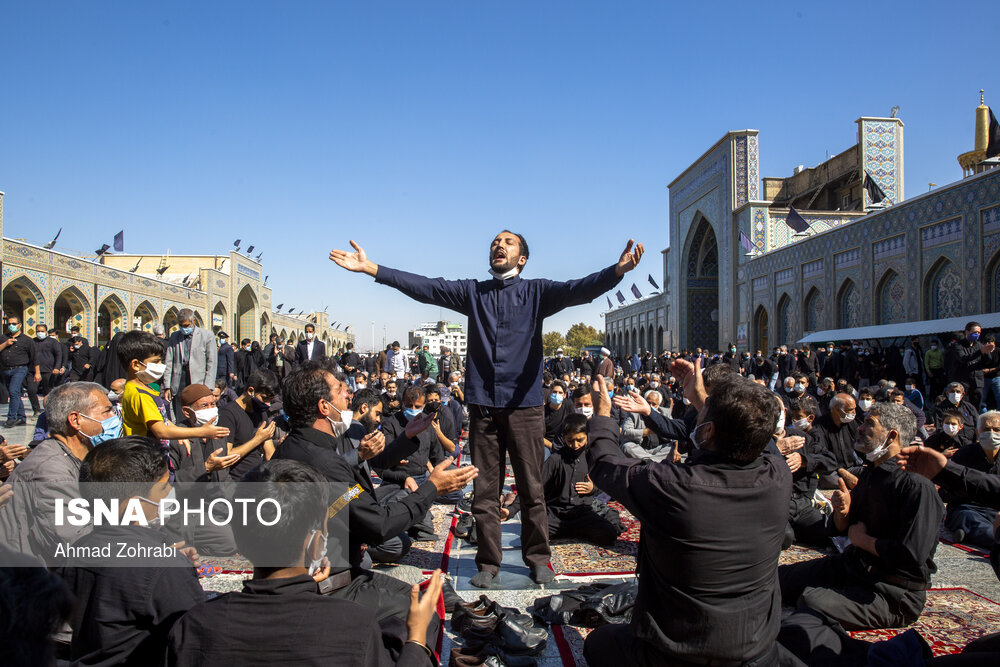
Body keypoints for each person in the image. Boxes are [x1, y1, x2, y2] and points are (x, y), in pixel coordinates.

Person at [330, 231, 643, 588]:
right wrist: (372, 268)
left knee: (531, 487)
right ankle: (489, 563)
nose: (499, 245)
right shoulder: (473, 292)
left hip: (524, 406)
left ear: (522, 258)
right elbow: (426, 287)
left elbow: (578, 290)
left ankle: (538, 559)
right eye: (496, 241)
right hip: (483, 406)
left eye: (508, 242)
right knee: (485, 490)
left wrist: (616, 272)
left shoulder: (536, 291)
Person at [583, 364, 792, 666]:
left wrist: (602, 414)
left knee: (599, 644)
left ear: (708, 430)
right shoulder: (778, 475)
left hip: (676, 654)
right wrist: (701, 399)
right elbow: (759, 435)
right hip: (755, 650)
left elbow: (604, 462)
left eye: (704, 416)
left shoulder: (672, 486)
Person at [165, 458, 442, 667]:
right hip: (342, 573)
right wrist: (416, 641)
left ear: (239, 534)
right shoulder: (353, 625)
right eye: (341, 392)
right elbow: (369, 517)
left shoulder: (194, 623)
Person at [273, 361, 475, 625]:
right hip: (327, 585)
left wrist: (407, 437)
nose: (349, 396)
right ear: (324, 406)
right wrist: (432, 488)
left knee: (422, 595)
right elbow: (379, 524)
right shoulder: (321, 461)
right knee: (425, 618)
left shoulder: (299, 447)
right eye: (340, 390)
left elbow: (341, 495)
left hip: (340, 567)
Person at [779, 401, 943, 632]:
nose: (860, 428)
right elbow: (844, 530)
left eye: (869, 424)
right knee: (779, 579)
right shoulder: (871, 474)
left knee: (812, 601)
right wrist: (842, 514)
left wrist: (864, 542)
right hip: (854, 568)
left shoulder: (916, 486)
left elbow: (911, 554)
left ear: (891, 435)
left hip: (891, 593)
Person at [57, 436, 205, 666]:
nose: (168, 493)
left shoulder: (78, 550)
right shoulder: (162, 567)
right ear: (134, 504)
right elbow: (196, 635)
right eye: (164, 486)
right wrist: (172, 569)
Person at [0, 382, 120, 562]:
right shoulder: (52, 472)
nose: (114, 417)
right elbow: (79, 544)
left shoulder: (73, 458)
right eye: (107, 411)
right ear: (76, 420)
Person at [118, 330, 230, 443]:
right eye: (155, 362)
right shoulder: (140, 394)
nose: (161, 365)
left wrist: (180, 435)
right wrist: (203, 431)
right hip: (146, 455)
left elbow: (163, 421)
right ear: (136, 365)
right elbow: (161, 431)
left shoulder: (144, 388)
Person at [542, 413, 622, 547]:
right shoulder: (555, 459)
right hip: (557, 514)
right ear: (563, 438)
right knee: (535, 531)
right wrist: (513, 510)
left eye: (580, 440)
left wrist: (593, 488)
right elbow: (536, 485)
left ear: (587, 437)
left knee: (609, 534)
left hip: (582, 513)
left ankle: (581, 529)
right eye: (570, 440)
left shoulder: (591, 457)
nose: (575, 445)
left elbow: (607, 484)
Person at [938, 411, 1000, 548]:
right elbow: (947, 490)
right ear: (978, 432)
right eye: (987, 429)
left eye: (997, 430)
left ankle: (968, 533)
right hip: (969, 508)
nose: (991, 434)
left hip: (996, 508)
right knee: (970, 519)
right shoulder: (964, 454)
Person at [216, 370, 280, 481]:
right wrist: (257, 439)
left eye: (271, 400)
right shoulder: (228, 414)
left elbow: (269, 452)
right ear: (251, 391)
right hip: (238, 482)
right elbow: (226, 456)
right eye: (264, 398)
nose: (268, 404)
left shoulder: (260, 413)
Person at [163, 308, 219, 419]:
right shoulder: (175, 336)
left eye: (187, 325)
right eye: (181, 326)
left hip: (198, 380)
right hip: (179, 380)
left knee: (197, 412)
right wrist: (167, 386)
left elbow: (211, 363)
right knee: (181, 413)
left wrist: (208, 388)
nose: (184, 328)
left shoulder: (206, 336)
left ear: (193, 321)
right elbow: (169, 361)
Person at [810, 392, 860, 489]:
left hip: (851, 467)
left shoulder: (851, 423)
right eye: (850, 410)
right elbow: (822, 454)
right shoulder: (820, 426)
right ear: (837, 409)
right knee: (828, 479)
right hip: (832, 470)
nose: (854, 413)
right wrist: (841, 470)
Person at [0, 314, 39, 427]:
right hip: (6, 370)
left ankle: (11, 418)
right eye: (9, 324)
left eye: (14, 324)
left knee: (13, 391)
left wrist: (37, 372)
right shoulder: (3, 338)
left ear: (20, 325)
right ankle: (21, 417)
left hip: (20, 369)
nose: (11, 326)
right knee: (14, 393)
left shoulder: (27, 340)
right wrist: (6, 344)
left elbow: (34, 357)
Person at [945, 321, 995, 408]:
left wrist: (987, 352)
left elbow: (987, 362)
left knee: (976, 407)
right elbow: (963, 358)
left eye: (979, 332)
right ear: (967, 332)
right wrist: (981, 352)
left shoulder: (979, 345)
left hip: (977, 382)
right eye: (975, 332)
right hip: (963, 381)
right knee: (963, 406)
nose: (977, 334)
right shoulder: (957, 345)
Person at [27, 323, 63, 412]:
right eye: (38, 331)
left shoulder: (53, 342)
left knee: (48, 392)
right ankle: (36, 410)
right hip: (34, 371)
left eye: (42, 331)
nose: (40, 333)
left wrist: (57, 367)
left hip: (48, 371)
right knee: (31, 390)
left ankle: (49, 410)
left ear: (46, 331)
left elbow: (58, 355)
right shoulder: (32, 342)